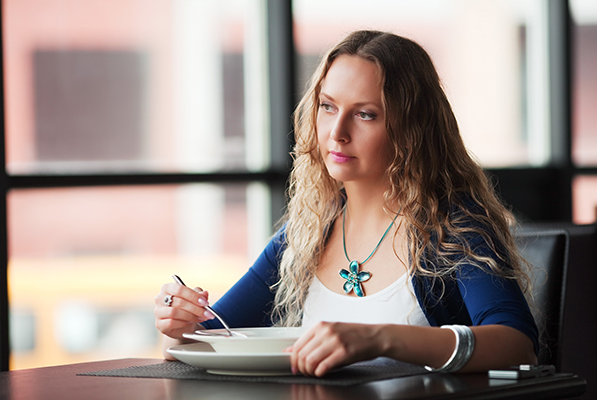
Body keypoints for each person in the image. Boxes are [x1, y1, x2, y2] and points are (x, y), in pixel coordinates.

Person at [154, 30, 538, 377]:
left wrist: (380, 338)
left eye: (365, 115)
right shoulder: (305, 234)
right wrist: (179, 324)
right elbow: (206, 341)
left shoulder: (453, 227)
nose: (337, 132)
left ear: (412, 129)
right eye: (328, 106)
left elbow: (518, 345)